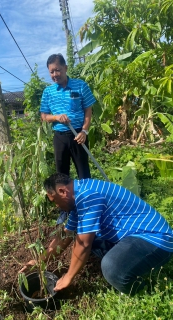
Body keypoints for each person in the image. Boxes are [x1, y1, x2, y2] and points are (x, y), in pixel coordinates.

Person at [20, 173, 173, 295]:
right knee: (91, 240)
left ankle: (146, 291)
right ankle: (130, 267)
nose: (57, 206)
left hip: (155, 238)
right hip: (131, 236)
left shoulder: (88, 195)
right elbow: (65, 236)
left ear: (62, 191)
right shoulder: (77, 198)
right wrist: (40, 261)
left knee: (111, 267)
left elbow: (83, 244)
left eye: (55, 201)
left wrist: (68, 277)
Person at [40, 54, 96, 179]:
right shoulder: (48, 92)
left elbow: (88, 110)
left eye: (57, 70)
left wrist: (84, 131)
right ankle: (67, 198)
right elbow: (43, 116)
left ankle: (86, 197)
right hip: (59, 137)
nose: (55, 74)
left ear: (65, 68)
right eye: (51, 72)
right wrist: (56, 117)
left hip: (78, 135)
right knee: (62, 175)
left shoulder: (81, 85)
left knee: (84, 173)